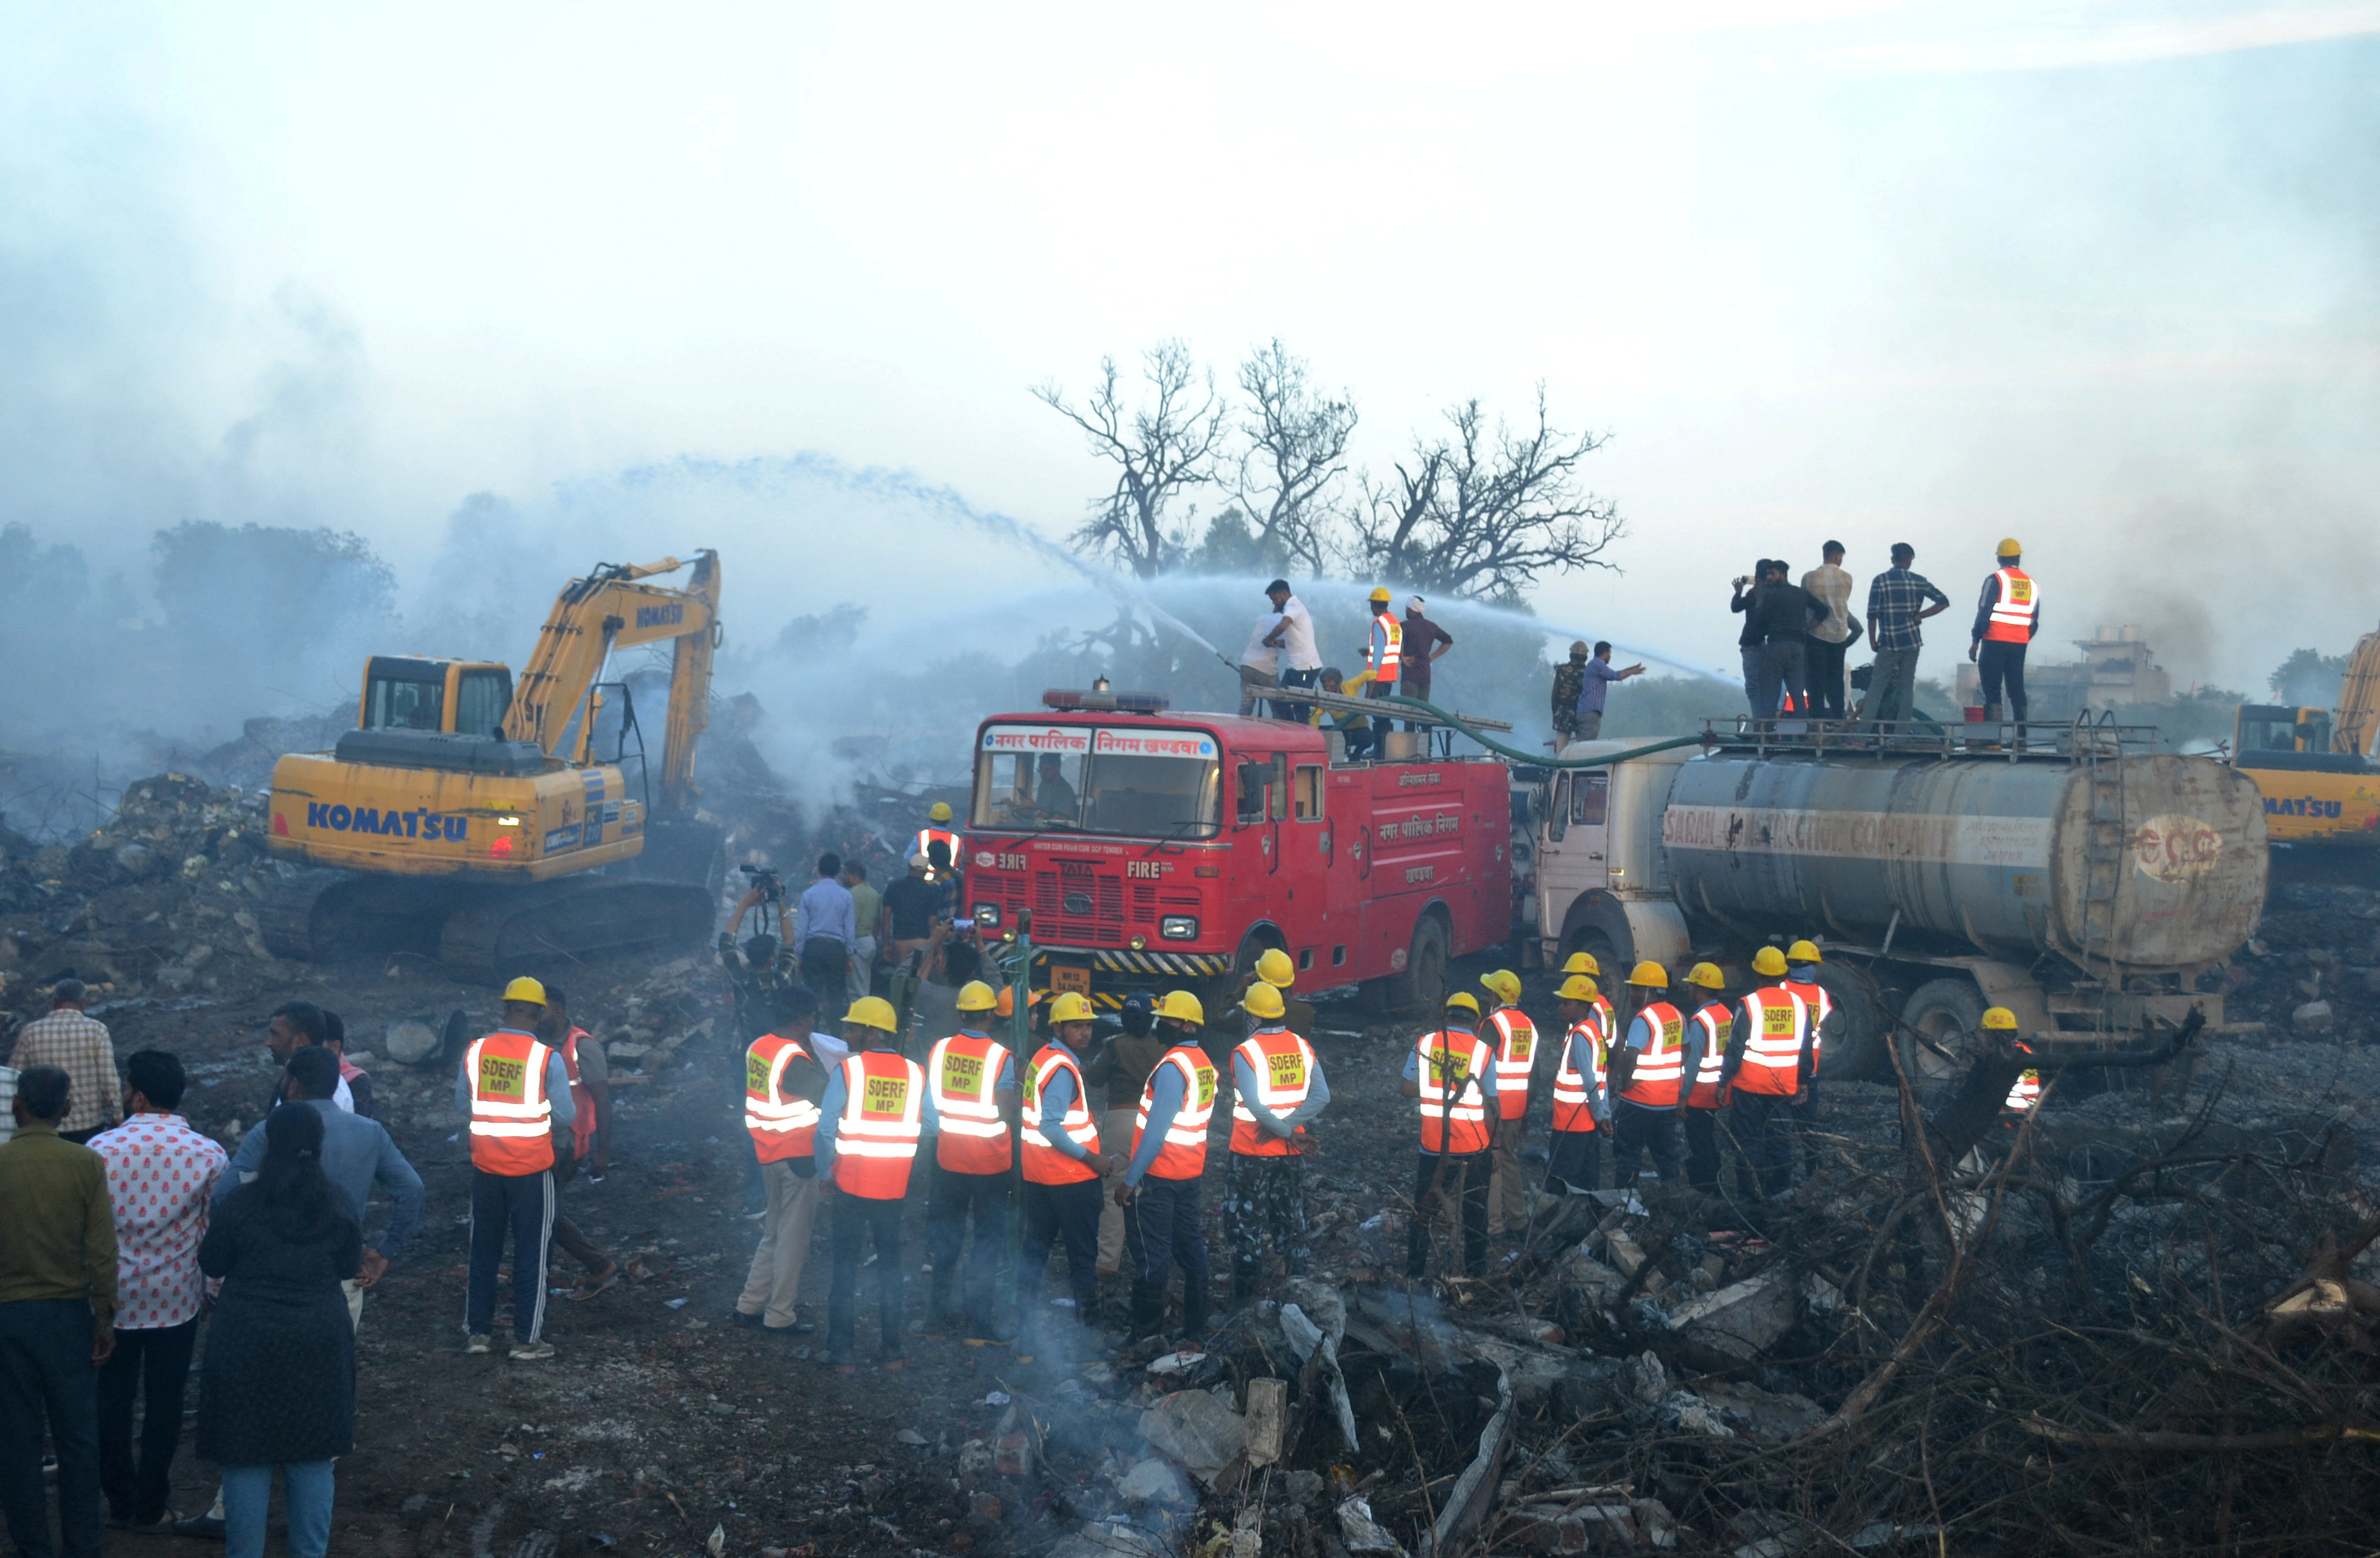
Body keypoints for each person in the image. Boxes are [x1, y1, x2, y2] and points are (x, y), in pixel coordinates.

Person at [196, 1103, 359, 1558]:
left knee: (245, 1453)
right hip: (319, 1338)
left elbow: (212, 1261)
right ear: (318, 1147)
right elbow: (348, 1265)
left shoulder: (241, 1203)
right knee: (312, 1454)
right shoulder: (338, 1201)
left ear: (268, 1145)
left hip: (245, 1337)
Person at [91, 1051, 224, 1534]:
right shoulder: (208, 1154)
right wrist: (211, 1292)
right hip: (176, 1301)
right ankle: (152, 1505)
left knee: (112, 1402)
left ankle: (120, 1502)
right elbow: (213, 1234)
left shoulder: (99, 1150)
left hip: (112, 1301)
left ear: (140, 1096)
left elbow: (87, 1231)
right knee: (165, 1405)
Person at [0, 1065, 114, 1558]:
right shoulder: (85, 1164)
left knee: (16, 1442)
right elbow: (102, 1251)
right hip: (69, 1318)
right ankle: (84, 1545)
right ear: (68, 1110)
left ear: (16, 1106)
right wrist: (104, 1319)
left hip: (8, 1320)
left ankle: (31, 1547)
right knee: (78, 1440)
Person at [222, 1048, 422, 1328]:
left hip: (271, 1277)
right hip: (341, 1272)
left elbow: (224, 1196)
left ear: (293, 1085)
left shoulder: (270, 1131)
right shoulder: (370, 1132)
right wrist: (386, 1250)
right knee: (331, 1367)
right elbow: (412, 1190)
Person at [456, 977, 575, 1360]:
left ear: (504, 1010)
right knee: (532, 1254)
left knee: (483, 1252)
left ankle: (478, 1334)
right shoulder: (545, 1058)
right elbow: (567, 1115)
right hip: (530, 1172)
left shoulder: (475, 1052)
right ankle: (526, 1340)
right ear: (538, 1015)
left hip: (486, 1168)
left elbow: (463, 1103)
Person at [817, 998, 935, 1373]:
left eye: (852, 1027)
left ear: (871, 1031)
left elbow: (824, 1128)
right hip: (893, 1189)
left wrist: (824, 1174)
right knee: (890, 1269)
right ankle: (893, 1352)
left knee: (845, 1270)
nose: (845, 1033)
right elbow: (931, 1126)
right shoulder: (916, 1074)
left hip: (850, 1185)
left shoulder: (849, 1071)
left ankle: (843, 1355)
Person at [1016, 993, 1120, 1350]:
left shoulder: (1043, 1059)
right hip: (1072, 1180)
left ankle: (1022, 1331)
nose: (1086, 1033)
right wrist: (1092, 1159)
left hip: (1040, 1176)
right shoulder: (1062, 1069)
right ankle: (1090, 1341)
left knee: (1035, 1251)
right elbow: (1050, 1126)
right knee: (1082, 1258)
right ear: (1057, 1027)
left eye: (1089, 1025)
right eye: (1077, 1026)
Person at [1115, 993, 1216, 1341]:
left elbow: (1156, 1135)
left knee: (1151, 1256)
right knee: (1192, 1251)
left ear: (1188, 1024)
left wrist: (1129, 1180)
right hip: (1189, 1175)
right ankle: (1196, 1330)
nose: (1160, 1024)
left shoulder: (1173, 1067)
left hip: (1159, 1178)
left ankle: (1144, 1337)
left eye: (1168, 1019)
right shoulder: (1202, 1062)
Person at [1222, 980, 1327, 1305]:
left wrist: (1281, 1129)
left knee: (1246, 1229)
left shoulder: (1245, 1052)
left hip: (1250, 1155)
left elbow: (1256, 1107)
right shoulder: (1301, 1046)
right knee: (1293, 1224)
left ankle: (1242, 1310)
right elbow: (1322, 1096)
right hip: (1291, 1152)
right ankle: (1297, 1303)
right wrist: (1292, 1132)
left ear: (1253, 1018)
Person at [922, 982, 1016, 1341]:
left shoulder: (940, 1050)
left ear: (960, 1014)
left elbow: (931, 1104)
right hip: (991, 1165)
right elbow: (1007, 1112)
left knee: (947, 1239)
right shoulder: (1000, 1056)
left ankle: (935, 1320)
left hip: (948, 1159)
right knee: (987, 1243)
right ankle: (979, 1324)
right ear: (992, 1015)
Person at [734, 984, 827, 1337]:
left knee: (773, 1233)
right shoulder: (794, 1059)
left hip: (768, 1153)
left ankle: (749, 1304)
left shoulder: (759, 1046)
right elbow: (826, 1096)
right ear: (802, 1021)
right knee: (793, 1239)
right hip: (797, 1157)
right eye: (812, 1018)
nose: (813, 1023)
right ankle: (779, 1314)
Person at [1401, 992, 1499, 1280]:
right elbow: (1492, 1107)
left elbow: (1406, 1089)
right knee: (1474, 1216)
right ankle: (1475, 1275)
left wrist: (1434, 1084)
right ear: (1477, 1021)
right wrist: (1494, 1148)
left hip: (1433, 1145)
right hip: (1475, 1147)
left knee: (1424, 1211)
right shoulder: (1483, 1052)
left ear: (1446, 1015)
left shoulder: (1426, 1043)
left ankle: (1414, 1273)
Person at [537, 989, 620, 1299]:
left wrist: (602, 1152)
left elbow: (603, 1100)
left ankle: (597, 1266)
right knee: (545, 1210)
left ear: (558, 1012)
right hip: (541, 1141)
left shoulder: (582, 1046)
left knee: (542, 1211)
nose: (535, 1017)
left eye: (541, 1011)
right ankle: (594, 1267)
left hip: (568, 1143)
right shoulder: (537, 1044)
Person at [1718, 947, 1815, 1199]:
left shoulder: (1748, 1004)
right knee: (1780, 1143)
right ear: (1784, 974)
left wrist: (1723, 1081)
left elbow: (1734, 1048)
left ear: (1757, 974)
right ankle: (1780, 1194)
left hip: (1748, 1088)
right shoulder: (1799, 1005)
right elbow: (1806, 1049)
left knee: (1748, 1144)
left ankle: (1750, 1197)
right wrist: (1803, 1080)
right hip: (1782, 1088)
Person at [1088, 991, 1167, 1280]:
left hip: (1121, 1121)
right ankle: (1147, 1258)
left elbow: (1094, 1079)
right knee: (1147, 1190)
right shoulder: (1163, 1048)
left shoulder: (1114, 1047)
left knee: (1112, 1192)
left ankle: (1107, 1261)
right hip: (1153, 1121)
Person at [9, 979, 119, 1144]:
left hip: (43, 1127)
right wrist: (117, 1116)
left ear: (54, 1002)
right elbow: (108, 1079)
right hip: (88, 1127)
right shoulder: (97, 1030)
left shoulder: (31, 1032)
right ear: (83, 1003)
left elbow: (13, 1078)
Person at [1606, 963, 1684, 1184]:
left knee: (1628, 1153)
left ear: (1653, 991)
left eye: (1638, 989)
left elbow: (1631, 1055)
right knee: (1667, 1154)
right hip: (1666, 1101)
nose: (1632, 994)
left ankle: (1625, 1201)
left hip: (1639, 1101)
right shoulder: (1677, 1015)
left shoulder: (1644, 1018)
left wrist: (1626, 1081)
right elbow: (1686, 1048)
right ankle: (1674, 1195)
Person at [1861, 542, 1951, 730]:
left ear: (1893, 559)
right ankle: (1900, 736)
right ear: (1910, 560)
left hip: (1888, 641)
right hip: (1912, 641)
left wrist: (1872, 640)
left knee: (1877, 687)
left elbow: (1872, 614)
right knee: (1906, 688)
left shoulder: (1881, 580)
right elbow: (1943, 602)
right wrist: (1920, 615)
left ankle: (1863, 734)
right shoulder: (1918, 581)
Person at [1731, 560, 1826, 725]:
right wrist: (1807, 628)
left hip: (1777, 646)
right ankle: (1801, 731)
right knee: (1797, 692)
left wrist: (1759, 601)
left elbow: (1758, 619)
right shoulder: (1800, 593)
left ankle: (1765, 730)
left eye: (1772, 574)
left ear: (1783, 574)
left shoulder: (1770, 595)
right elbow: (1823, 610)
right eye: (1767, 574)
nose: (1769, 578)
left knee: (1770, 691)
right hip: (1797, 647)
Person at [1479, 970, 1536, 1238]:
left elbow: (1479, 1067)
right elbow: (1534, 1073)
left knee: (1493, 1165)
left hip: (1494, 1106)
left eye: (1489, 992)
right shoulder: (1528, 1025)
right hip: (1517, 1106)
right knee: (1510, 1161)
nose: (1485, 996)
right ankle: (1518, 1220)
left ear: (1498, 996)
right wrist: (1526, 1109)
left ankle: (1493, 1227)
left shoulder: (1493, 1024)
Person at [1781, 941, 1841, 1182]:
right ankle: (1812, 1173)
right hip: (1810, 1071)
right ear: (1810, 967)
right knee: (1809, 1128)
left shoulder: (1782, 989)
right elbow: (1823, 1020)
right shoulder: (1821, 995)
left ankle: (1780, 1176)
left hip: (1781, 1069)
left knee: (1779, 1127)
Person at [1544, 975, 1609, 1193]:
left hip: (1571, 1122)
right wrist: (1603, 1114)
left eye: (1566, 1003)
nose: (1561, 1008)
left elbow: (1591, 1080)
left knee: (1562, 1180)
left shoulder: (1580, 1035)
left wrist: (1601, 1116)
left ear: (1583, 1006)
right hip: (1586, 1122)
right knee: (1587, 1179)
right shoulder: (1594, 1032)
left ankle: (1560, 1224)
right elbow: (1602, 1078)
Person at [1969, 538, 2041, 727]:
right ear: (2018, 558)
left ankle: (1994, 737)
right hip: (2019, 644)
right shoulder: (2031, 584)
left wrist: (1976, 641)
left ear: (1999, 559)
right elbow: (2034, 621)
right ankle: (2021, 737)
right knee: (2016, 688)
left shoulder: (1996, 580)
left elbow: (1984, 612)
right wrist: (2022, 637)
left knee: (1992, 688)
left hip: (1994, 640)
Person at [1674, 965, 1733, 1194]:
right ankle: (1715, 1184)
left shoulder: (1700, 1020)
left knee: (1699, 1143)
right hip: (1718, 1089)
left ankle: (1707, 1190)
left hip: (1699, 1094)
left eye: (1691, 986)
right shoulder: (1725, 1014)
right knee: (1709, 1140)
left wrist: (1683, 1096)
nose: (1688, 989)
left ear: (1699, 990)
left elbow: (1693, 1062)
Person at [1800, 542, 1863, 721]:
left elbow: (1805, 603)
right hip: (1839, 635)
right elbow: (1842, 602)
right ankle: (1838, 718)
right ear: (1838, 556)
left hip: (1816, 634)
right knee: (1835, 680)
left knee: (1815, 681)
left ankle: (1816, 720)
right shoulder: (1847, 578)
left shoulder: (1809, 578)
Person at [794, 854, 859, 1018]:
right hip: (836, 950)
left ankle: (811, 1032)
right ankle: (836, 1034)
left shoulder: (809, 894)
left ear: (818, 869)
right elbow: (849, 929)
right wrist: (850, 956)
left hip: (813, 947)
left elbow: (802, 929)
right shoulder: (846, 896)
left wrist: (799, 955)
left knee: (811, 994)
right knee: (836, 995)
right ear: (838, 872)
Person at [264, 1003, 356, 1115]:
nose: (268, 1043)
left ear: (300, 1041)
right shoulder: (293, 1078)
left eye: (276, 1035)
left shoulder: (332, 1091)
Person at [1261, 580, 1323, 722]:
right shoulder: (1292, 608)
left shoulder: (1293, 605)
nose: (1274, 603)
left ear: (1284, 593)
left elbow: (1282, 626)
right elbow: (1292, 642)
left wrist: (1269, 637)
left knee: (1301, 706)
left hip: (1306, 667)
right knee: (1279, 699)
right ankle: (1291, 729)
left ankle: (1304, 737)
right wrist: (1275, 643)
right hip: (1295, 668)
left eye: (1275, 599)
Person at [1396, 597, 1453, 730]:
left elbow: (1397, 642)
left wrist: (1402, 657)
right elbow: (1448, 641)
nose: (1406, 610)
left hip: (1410, 676)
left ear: (1412, 609)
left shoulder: (1404, 626)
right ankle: (1426, 745)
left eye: (1407, 607)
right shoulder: (1431, 627)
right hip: (1425, 676)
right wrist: (1433, 656)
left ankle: (1409, 747)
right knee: (1424, 714)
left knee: (1409, 714)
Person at [1575, 643, 1646, 741]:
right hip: (1590, 713)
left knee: (1580, 746)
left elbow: (1615, 673)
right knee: (1586, 746)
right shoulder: (1598, 664)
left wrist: (1631, 669)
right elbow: (1616, 676)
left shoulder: (1594, 664)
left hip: (1584, 712)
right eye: (1610, 653)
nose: (1610, 656)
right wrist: (1632, 672)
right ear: (1605, 653)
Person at [841, 859, 882, 1002]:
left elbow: (850, 924)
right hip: (870, 942)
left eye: (845, 874)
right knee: (864, 983)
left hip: (856, 943)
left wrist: (848, 949)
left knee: (856, 988)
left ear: (854, 875)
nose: (843, 877)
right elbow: (878, 921)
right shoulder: (874, 893)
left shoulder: (852, 895)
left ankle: (859, 1019)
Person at [1316, 667, 1378, 760]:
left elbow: (1371, 674)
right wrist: (1314, 734)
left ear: (1337, 682)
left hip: (1359, 730)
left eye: (1330, 681)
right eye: (1324, 682)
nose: (1326, 685)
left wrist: (1367, 700)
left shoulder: (1349, 686)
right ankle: (1339, 754)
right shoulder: (1323, 695)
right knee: (1320, 732)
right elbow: (1315, 715)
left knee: (1368, 738)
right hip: (1341, 731)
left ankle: (1356, 755)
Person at [1238, 594, 1285, 716]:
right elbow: (1290, 644)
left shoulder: (1264, 619)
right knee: (1277, 704)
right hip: (1266, 667)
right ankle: (1279, 732)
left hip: (1246, 664)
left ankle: (1240, 729)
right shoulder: (1284, 622)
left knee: (1246, 703)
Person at [1362, 586, 1403, 704]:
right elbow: (1390, 647)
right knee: (1383, 711)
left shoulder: (1380, 623)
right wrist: (1370, 652)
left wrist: (1372, 676)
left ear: (1374, 605)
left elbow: (1380, 651)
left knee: (1377, 711)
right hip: (1389, 675)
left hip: (1378, 677)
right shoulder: (1394, 622)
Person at [1550, 643, 1589, 748]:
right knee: (1582, 748)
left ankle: (1561, 764)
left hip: (1563, 712)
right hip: (1581, 712)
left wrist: (1556, 711)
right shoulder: (1588, 673)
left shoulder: (1562, 670)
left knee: (1561, 747)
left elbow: (1555, 695)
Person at [913, 803, 963, 884]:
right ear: (949, 820)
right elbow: (963, 864)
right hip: (949, 882)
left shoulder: (921, 836)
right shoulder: (957, 840)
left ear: (931, 819)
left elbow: (908, 858)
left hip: (924, 884)